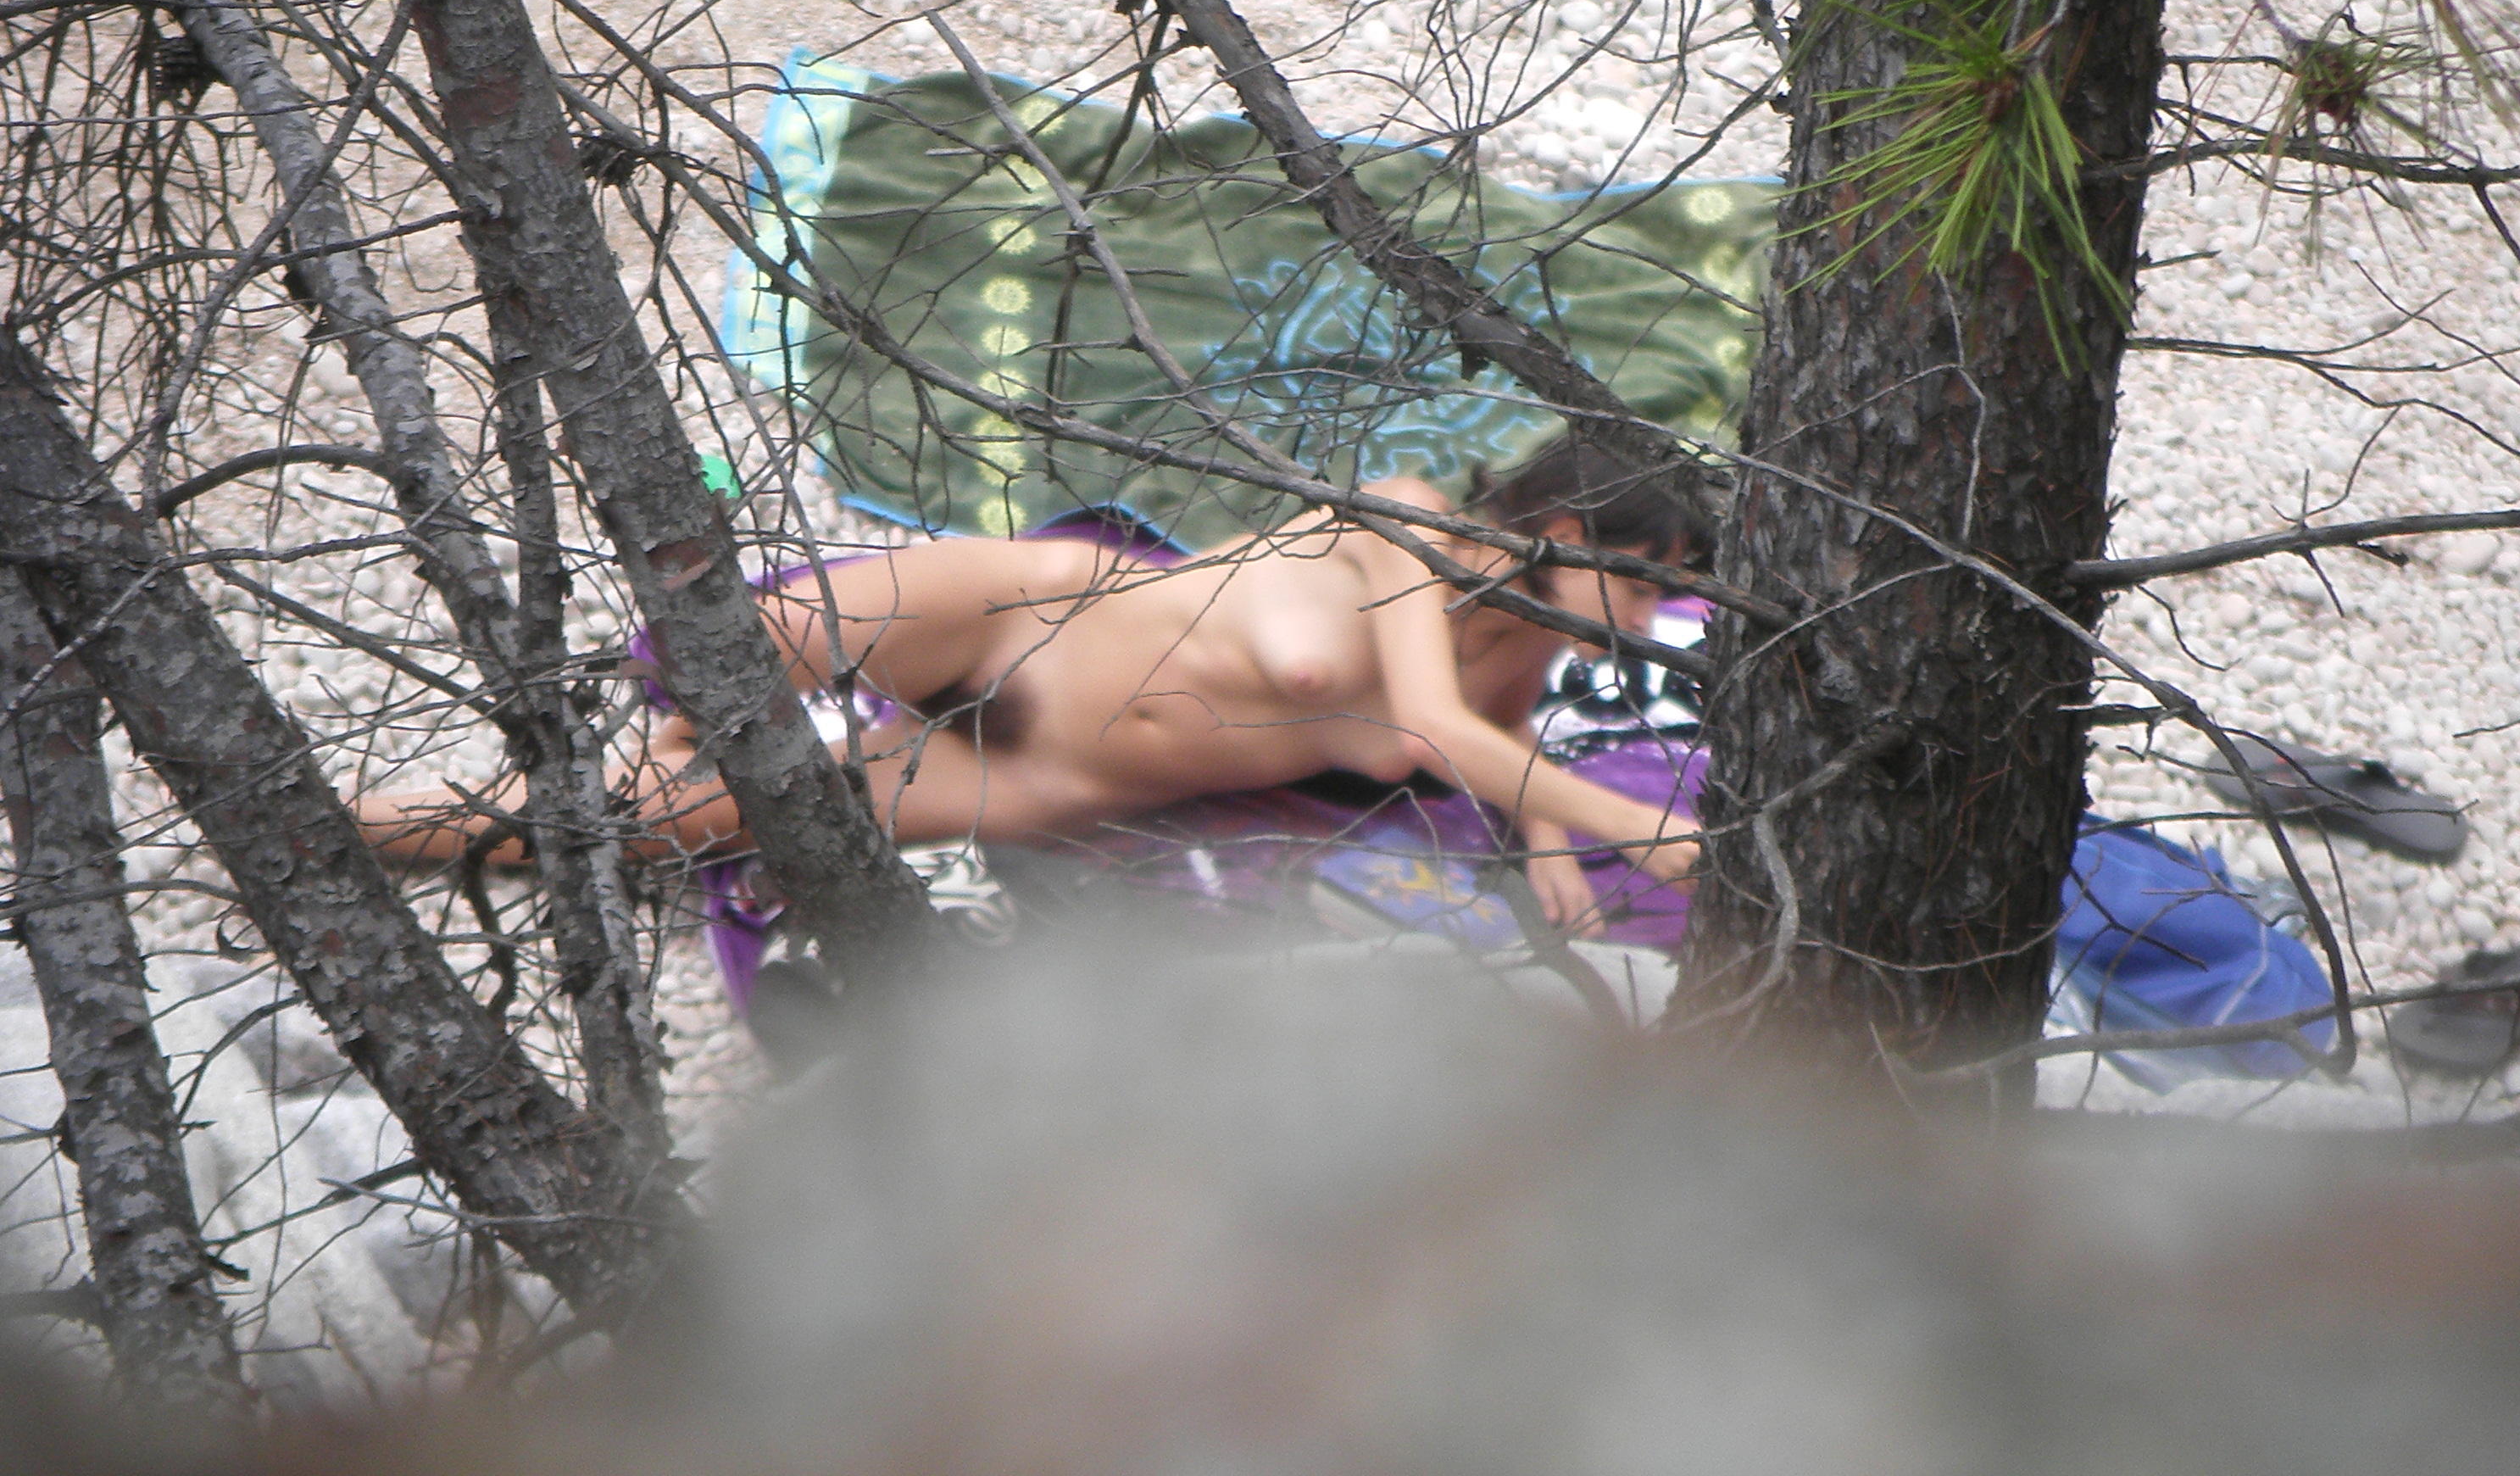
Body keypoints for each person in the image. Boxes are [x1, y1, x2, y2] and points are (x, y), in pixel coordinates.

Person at [359, 440, 1700, 933]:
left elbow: (1492, 743)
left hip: (1043, 775)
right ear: (1563, 534)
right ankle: (678, 721)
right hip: (1029, 616)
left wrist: (1549, 839)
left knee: (644, 825)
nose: (1650, 627)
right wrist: (1636, 828)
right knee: (713, 648)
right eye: (1644, 589)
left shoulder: (1528, 656)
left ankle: (345, 825)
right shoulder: (1406, 522)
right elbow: (1429, 725)